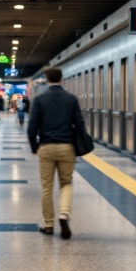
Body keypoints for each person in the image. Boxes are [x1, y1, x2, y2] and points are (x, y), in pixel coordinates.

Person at [27, 67, 84, 239]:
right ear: (61, 79)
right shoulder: (71, 99)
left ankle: (49, 224)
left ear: (46, 78)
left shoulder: (39, 100)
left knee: (47, 187)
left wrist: (34, 147)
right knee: (66, 183)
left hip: (47, 146)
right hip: (67, 147)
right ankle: (64, 214)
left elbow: (32, 128)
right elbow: (80, 125)